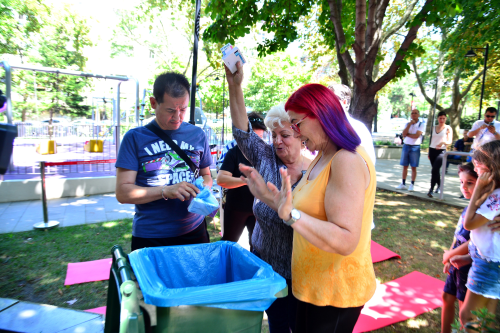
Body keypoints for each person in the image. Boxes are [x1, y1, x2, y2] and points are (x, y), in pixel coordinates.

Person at [239, 71, 377, 331]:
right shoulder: (324, 154)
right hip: (313, 288)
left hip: (334, 292)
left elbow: (345, 239)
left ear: (319, 114)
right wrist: (266, 196)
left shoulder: (346, 160)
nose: (296, 133)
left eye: (296, 124)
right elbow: (294, 208)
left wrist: (292, 216)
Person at [225, 63, 312, 333]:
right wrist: (234, 85)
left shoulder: (317, 169)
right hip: (267, 269)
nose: (277, 141)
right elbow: (242, 131)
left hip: (303, 273)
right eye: (274, 135)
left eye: (284, 135)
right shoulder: (266, 157)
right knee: (278, 326)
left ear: (302, 138)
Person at [115, 72, 213, 251]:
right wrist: (166, 190)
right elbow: (122, 193)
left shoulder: (197, 135)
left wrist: (204, 188)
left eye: (183, 109)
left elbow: (207, 174)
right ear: (154, 103)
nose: (177, 117)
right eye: (170, 110)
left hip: (195, 230)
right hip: (152, 237)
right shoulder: (134, 138)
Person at [460, 140, 500, 331]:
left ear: (493, 166)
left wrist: (476, 189)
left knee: (468, 315)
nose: (475, 167)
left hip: (489, 263)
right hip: (485, 258)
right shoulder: (493, 192)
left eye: (479, 164)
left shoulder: (495, 196)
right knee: (486, 317)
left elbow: (468, 223)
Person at [217, 112, 267, 251]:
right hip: (236, 208)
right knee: (228, 244)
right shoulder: (234, 152)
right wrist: (245, 180)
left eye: (261, 138)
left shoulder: (267, 153)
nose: (258, 143)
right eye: (254, 138)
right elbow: (221, 179)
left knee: (257, 248)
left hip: (259, 209)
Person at [441, 163, 477, 333]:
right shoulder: (467, 207)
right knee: (447, 297)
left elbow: (475, 242)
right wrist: (449, 257)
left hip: (468, 266)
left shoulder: (481, 211)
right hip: (455, 263)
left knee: (465, 309)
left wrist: (451, 254)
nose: (464, 187)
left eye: (470, 182)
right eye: (461, 182)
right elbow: (458, 237)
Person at [328, 84, 376, 164]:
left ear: (344, 102)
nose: (326, 103)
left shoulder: (358, 128)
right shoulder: (324, 126)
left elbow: (369, 161)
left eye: (331, 99)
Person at [396, 109, 426, 192]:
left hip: (415, 147)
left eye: (416, 113)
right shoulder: (407, 124)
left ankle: (412, 184)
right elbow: (403, 134)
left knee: (413, 167)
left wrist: (407, 135)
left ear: (419, 114)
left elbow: (416, 135)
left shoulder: (421, 124)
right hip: (406, 146)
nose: (414, 115)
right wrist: (409, 124)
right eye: (412, 113)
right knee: (405, 166)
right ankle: (403, 183)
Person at [427, 111, 453, 198]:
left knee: (434, 170)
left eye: (443, 118)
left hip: (441, 151)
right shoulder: (433, 127)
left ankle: (431, 189)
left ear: (446, 119)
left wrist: (443, 142)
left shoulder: (448, 128)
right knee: (435, 170)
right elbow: (431, 140)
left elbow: (449, 141)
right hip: (432, 150)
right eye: (440, 118)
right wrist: (429, 151)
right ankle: (439, 185)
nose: (442, 120)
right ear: (437, 118)